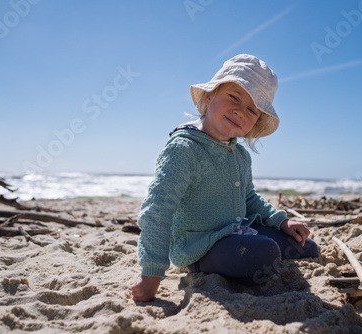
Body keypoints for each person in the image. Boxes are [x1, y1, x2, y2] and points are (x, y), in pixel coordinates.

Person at [131, 54, 319, 302]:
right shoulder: (184, 148)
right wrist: (151, 273)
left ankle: (250, 248)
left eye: (252, 109)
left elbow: (249, 198)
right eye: (234, 97)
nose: (240, 112)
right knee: (266, 255)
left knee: (305, 247)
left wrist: (282, 222)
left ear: (256, 122)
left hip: (236, 230)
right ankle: (201, 266)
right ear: (209, 97)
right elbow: (158, 210)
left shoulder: (239, 154)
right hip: (200, 245)